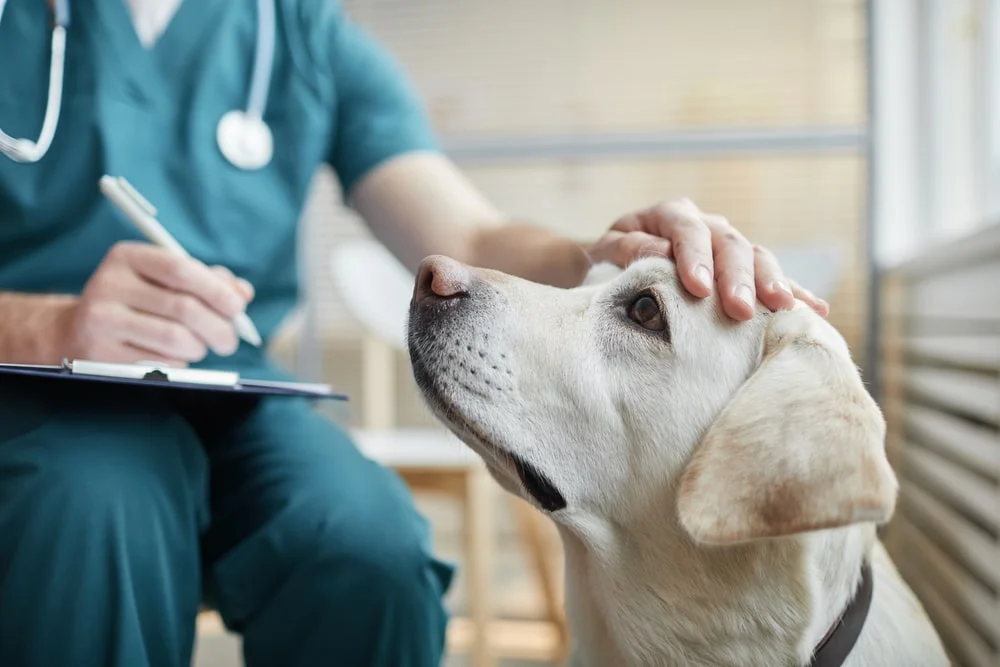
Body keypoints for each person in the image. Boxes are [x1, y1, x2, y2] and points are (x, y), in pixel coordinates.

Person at [0, 1, 828, 666]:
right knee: (90, 508)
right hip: (31, 391)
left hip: (234, 389)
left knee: (372, 547)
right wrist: (45, 323)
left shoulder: (300, 33)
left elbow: (467, 237)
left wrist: (597, 250)